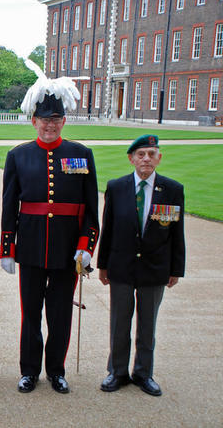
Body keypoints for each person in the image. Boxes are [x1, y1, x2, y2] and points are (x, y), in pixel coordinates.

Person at [0, 71, 99, 394]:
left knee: (59, 315)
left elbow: (89, 207)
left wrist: (86, 246)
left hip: (67, 248)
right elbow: (9, 205)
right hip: (30, 246)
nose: (49, 125)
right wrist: (7, 247)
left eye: (55, 119)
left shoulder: (81, 154)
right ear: (33, 121)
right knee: (30, 314)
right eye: (44, 119)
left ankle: (56, 370)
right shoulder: (18, 156)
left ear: (64, 120)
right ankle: (29, 370)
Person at [97, 135, 185, 397]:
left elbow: (176, 233)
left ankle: (144, 373)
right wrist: (103, 266)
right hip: (122, 266)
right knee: (119, 322)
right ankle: (117, 371)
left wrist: (175, 269)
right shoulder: (117, 187)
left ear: (158, 158)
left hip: (154, 268)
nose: (146, 159)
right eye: (140, 154)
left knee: (148, 325)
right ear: (131, 159)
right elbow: (108, 228)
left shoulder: (172, 190)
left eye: (151, 153)